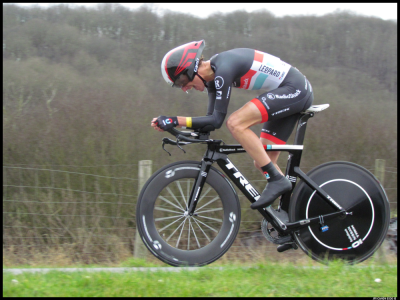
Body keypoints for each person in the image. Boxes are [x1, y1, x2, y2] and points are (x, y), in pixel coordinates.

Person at [151, 40, 314, 210]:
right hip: (289, 92)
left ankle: (277, 180)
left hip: (295, 89)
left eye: (182, 82)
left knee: (236, 123)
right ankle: (298, 212)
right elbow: (210, 122)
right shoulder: (213, 77)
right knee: (262, 161)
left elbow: (217, 120)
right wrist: (176, 127)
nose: (184, 88)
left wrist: (175, 119)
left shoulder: (223, 69)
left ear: (191, 70)